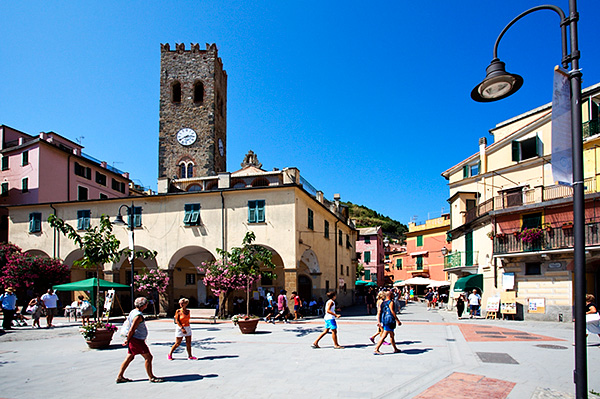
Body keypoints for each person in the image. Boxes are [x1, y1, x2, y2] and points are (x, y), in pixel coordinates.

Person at [117, 297, 163, 383]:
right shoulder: (138, 316)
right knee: (148, 357)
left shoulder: (133, 312)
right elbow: (132, 329)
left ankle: (120, 376)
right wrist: (128, 339)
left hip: (135, 339)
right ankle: (151, 377)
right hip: (137, 340)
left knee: (129, 357)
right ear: (145, 305)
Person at [374, 290, 402, 355]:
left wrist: (379, 321)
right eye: (392, 294)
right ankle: (376, 349)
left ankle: (395, 348)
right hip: (389, 320)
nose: (393, 295)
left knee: (392, 335)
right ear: (389, 295)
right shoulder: (390, 302)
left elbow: (379, 312)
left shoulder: (383, 303)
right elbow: (392, 311)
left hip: (384, 320)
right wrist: (397, 320)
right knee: (384, 335)